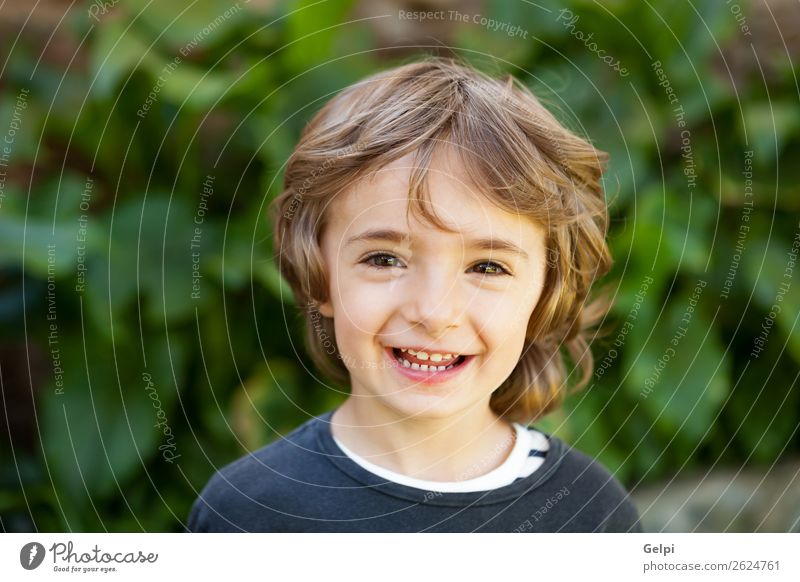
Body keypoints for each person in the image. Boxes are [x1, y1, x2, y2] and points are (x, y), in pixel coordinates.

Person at [186, 56, 641, 532]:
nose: (434, 312)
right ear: (319, 274)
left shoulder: (590, 513)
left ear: (544, 294)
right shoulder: (248, 512)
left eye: (487, 266)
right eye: (384, 259)